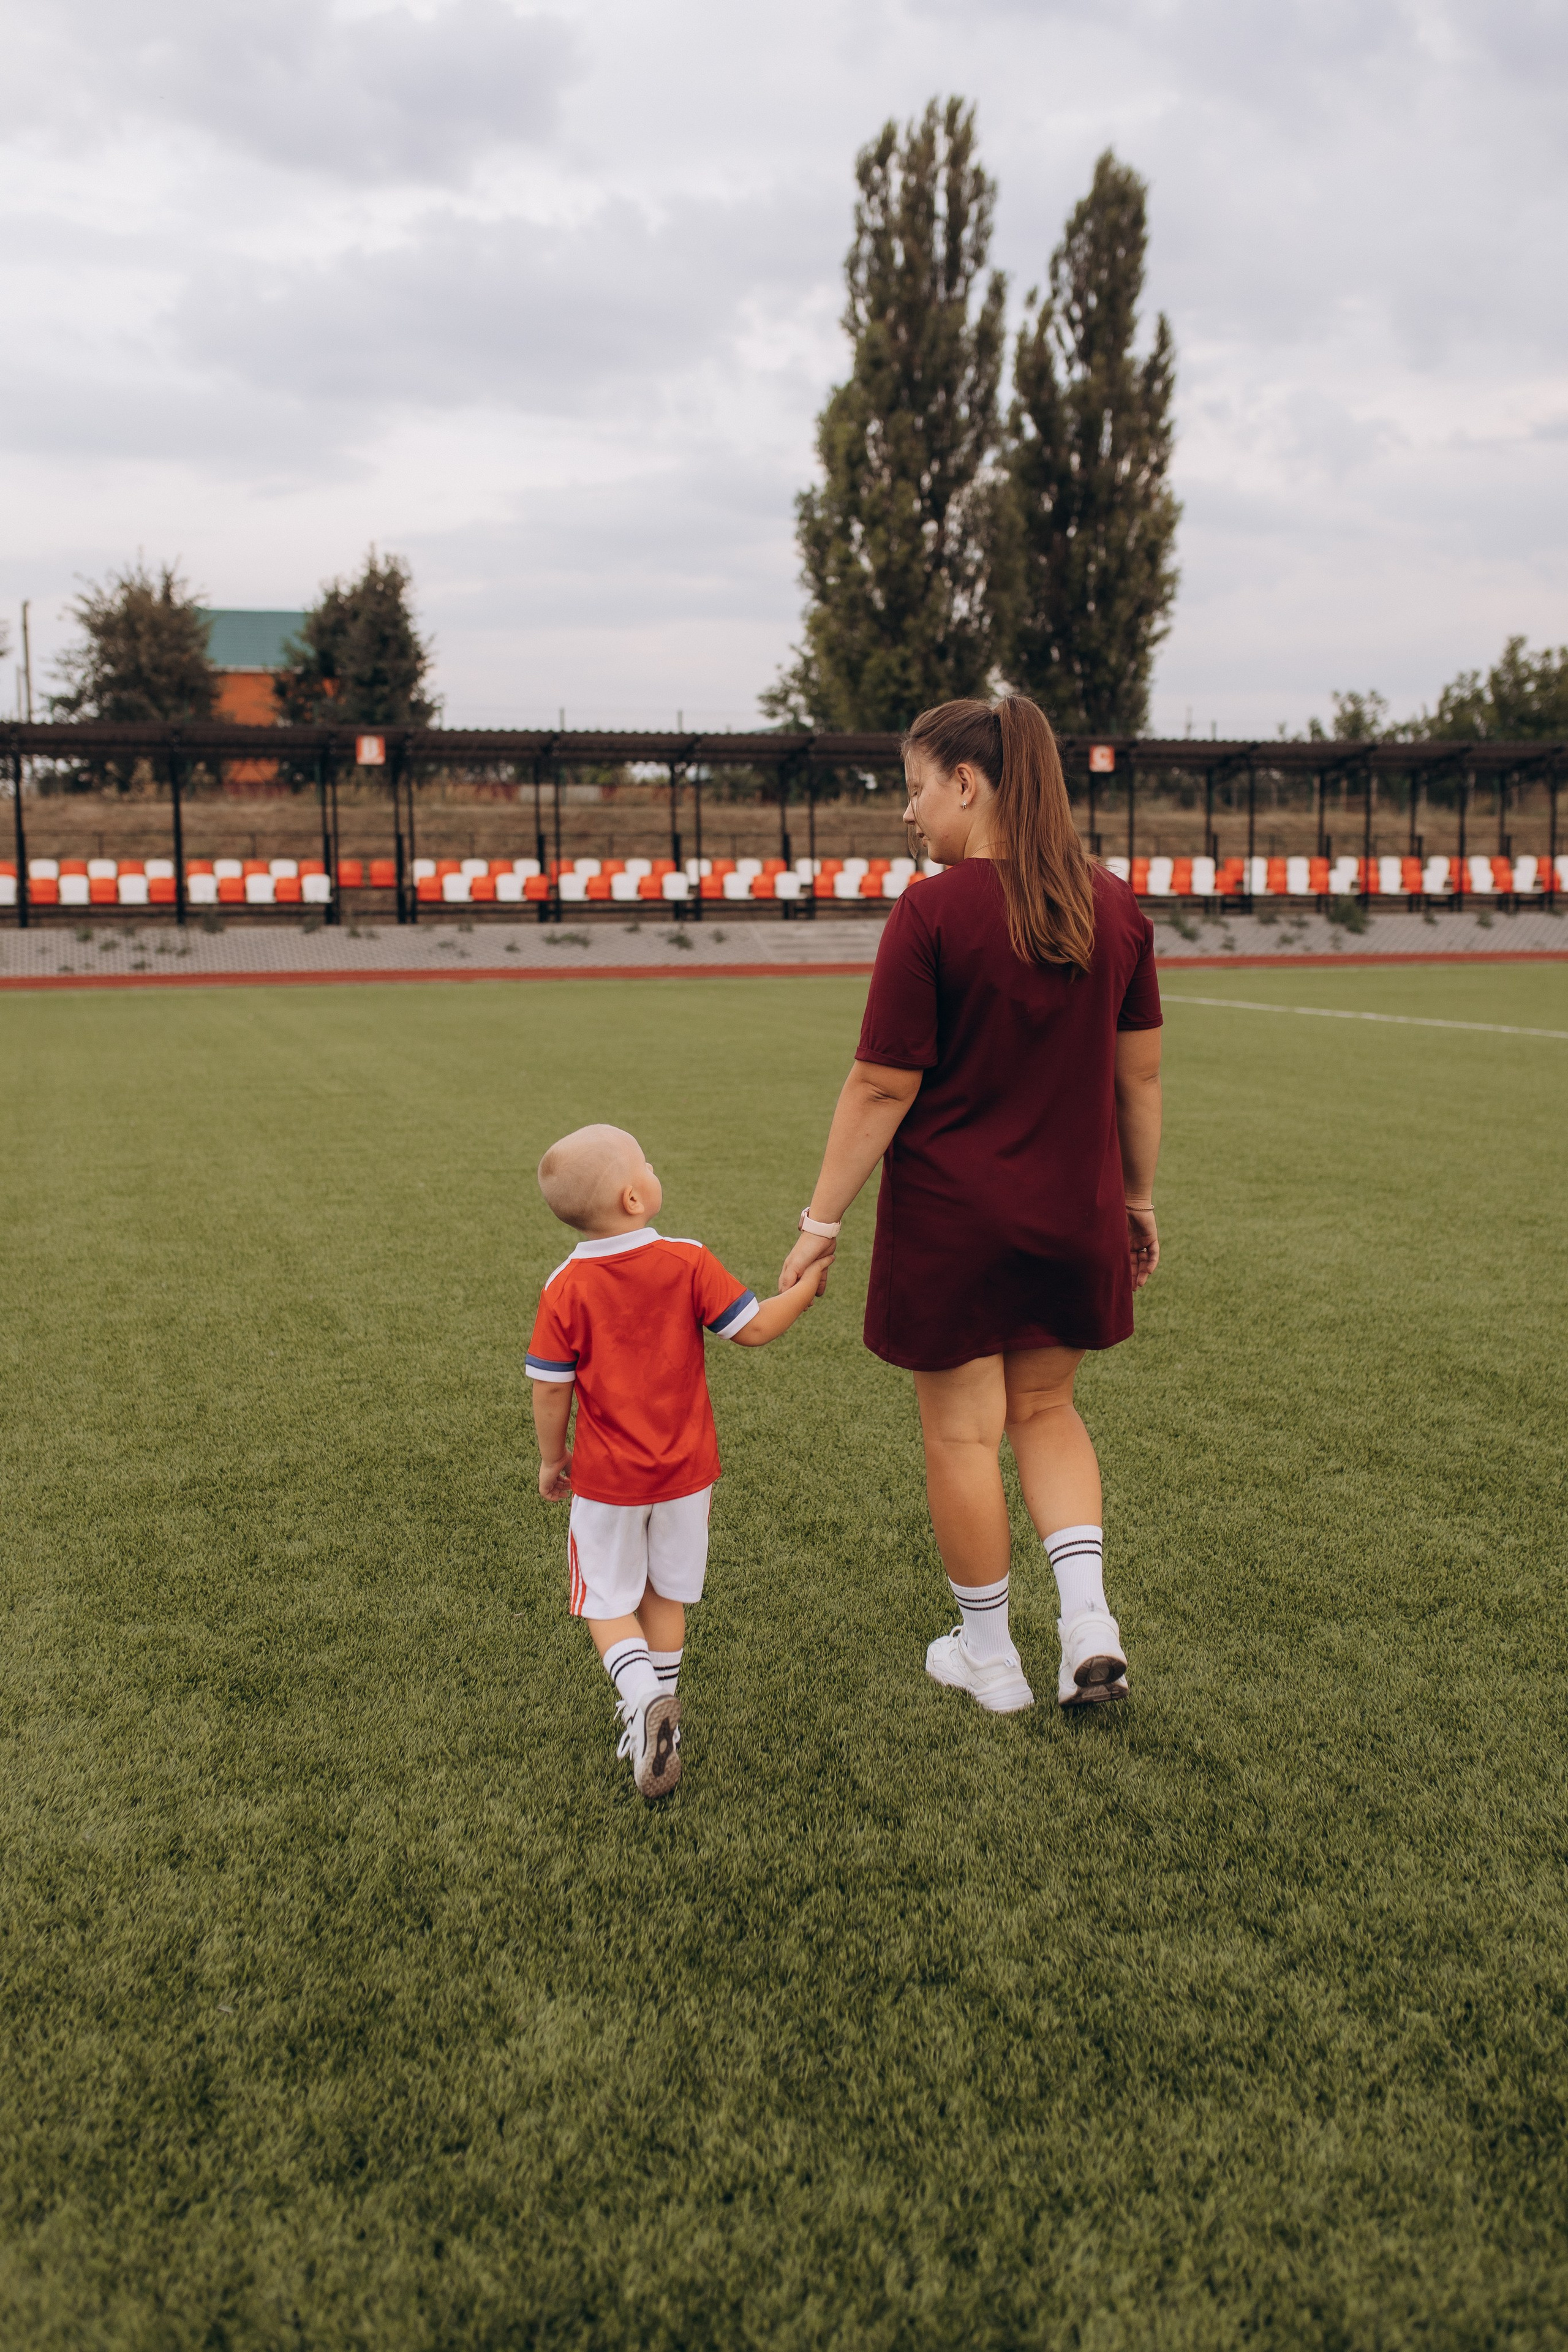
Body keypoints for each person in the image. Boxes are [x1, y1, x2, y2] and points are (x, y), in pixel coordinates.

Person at [778, 696, 1163, 1715]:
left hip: (955, 1225)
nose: (909, 814)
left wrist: (819, 1224)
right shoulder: (1114, 907)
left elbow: (880, 1087)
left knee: (962, 1435)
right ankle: (1090, 1624)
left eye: (915, 788)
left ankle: (991, 1661)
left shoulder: (933, 911)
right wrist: (1137, 1199)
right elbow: (1141, 1084)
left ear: (966, 783)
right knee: (1048, 1410)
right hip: (1074, 1218)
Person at [529, 1123, 820, 1798]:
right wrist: (806, 1289)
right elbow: (755, 1330)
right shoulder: (687, 1260)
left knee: (604, 1599)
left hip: (608, 1481)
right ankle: (662, 1722)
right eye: (648, 1165)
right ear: (635, 1198)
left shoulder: (564, 1286)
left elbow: (550, 1387)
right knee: (663, 1595)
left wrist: (552, 1459)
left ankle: (639, 1700)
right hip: (688, 1476)